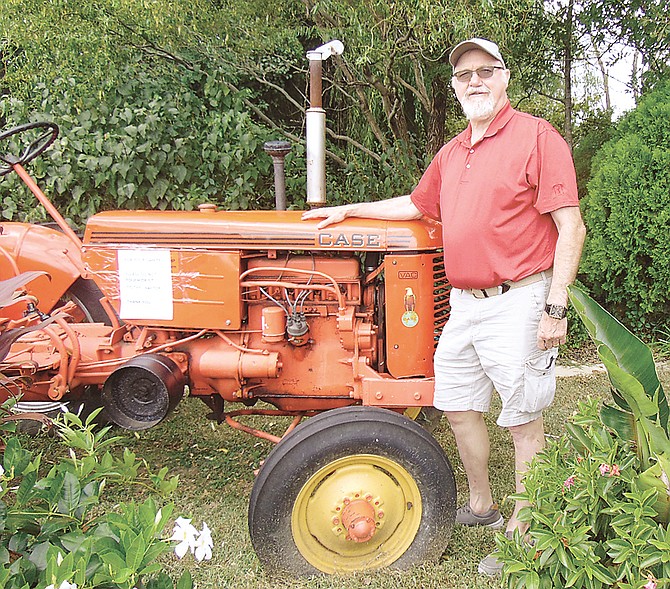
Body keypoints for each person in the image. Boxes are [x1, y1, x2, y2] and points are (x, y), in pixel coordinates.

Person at [301, 37, 586, 576]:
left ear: (505, 78)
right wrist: (346, 210)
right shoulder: (453, 152)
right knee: (456, 405)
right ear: (454, 87)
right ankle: (482, 503)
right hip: (464, 304)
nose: (474, 81)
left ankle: (525, 533)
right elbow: (414, 205)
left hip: (519, 299)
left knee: (523, 419)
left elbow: (570, 226)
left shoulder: (537, 138)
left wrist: (555, 306)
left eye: (485, 71)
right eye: (464, 75)